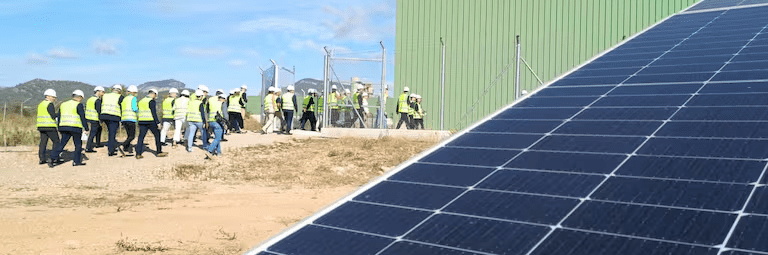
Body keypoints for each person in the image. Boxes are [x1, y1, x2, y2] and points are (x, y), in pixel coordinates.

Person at [48, 90, 89, 167]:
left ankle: (52, 158)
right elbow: (82, 117)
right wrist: (86, 128)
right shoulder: (78, 105)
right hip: (75, 127)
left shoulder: (63, 104)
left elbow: (59, 116)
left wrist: (59, 127)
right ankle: (76, 161)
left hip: (63, 127)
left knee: (62, 143)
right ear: (79, 97)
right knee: (78, 144)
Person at [136, 89, 168, 159]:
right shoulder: (151, 101)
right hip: (150, 120)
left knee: (141, 137)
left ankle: (138, 153)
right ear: (154, 94)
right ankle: (159, 152)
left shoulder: (141, 101)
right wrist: (158, 123)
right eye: (156, 95)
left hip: (141, 120)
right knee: (157, 135)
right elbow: (153, 112)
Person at [99, 84, 125, 156]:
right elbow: (122, 107)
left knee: (110, 132)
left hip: (104, 115)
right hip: (114, 116)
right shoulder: (120, 97)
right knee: (112, 133)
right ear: (119, 91)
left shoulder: (105, 95)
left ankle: (112, 145)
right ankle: (111, 150)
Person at [37, 89, 60, 165]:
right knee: (56, 142)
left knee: (43, 142)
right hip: (49, 126)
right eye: (53, 97)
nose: (54, 99)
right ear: (48, 96)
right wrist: (59, 114)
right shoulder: (49, 104)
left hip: (41, 126)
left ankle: (42, 159)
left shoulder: (41, 104)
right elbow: (53, 115)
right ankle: (54, 158)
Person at [204, 94, 227, 159]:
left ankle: (219, 152)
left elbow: (207, 110)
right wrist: (226, 122)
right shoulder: (221, 104)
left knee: (217, 137)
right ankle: (209, 151)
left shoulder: (212, 101)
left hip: (211, 121)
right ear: (223, 99)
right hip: (217, 122)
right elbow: (224, 113)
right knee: (217, 138)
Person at [119, 85, 139, 156]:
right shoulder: (133, 98)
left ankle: (126, 148)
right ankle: (124, 145)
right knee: (132, 136)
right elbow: (134, 108)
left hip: (124, 119)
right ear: (133, 92)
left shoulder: (124, 99)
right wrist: (138, 112)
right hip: (131, 118)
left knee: (129, 135)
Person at [84, 86, 104, 153]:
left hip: (88, 118)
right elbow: (99, 110)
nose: (103, 93)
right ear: (98, 92)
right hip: (94, 118)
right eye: (102, 92)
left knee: (99, 129)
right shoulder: (97, 100)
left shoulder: (90, 99)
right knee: (93, 133)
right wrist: (101, 119)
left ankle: (98, 143)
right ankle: (88, 147)